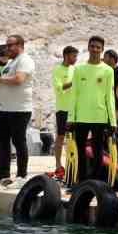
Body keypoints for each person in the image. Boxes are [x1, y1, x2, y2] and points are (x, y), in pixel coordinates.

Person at [70, 36, 117, 184]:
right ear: (88, 47)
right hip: (81, 117)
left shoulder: (108, 71)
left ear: (102, 50)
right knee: (80, 151)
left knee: (98, 152)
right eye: (92, 46)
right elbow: (74, 94)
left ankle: (96, 182)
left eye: (98, 47)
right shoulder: (78, 69)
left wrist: (113, 121)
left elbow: (110, 96)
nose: (95, 49)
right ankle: (81, 182)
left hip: (99, 116)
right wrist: (71, 118)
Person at [0, 33, 35, 183]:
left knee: (18, 141)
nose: (7, 48)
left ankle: (22, 175)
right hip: (5, 108)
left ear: (20, 45)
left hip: (19, 109)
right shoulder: (11, 62)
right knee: (2, 140)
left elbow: (19, 79)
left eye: (10, 45)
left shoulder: (25, 60)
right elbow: (8, 81)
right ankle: (3, 172)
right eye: (7, 45)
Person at [52, 46, 79, 175]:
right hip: (62, 109)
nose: (75, 59)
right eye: (74, 56)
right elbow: (59, 87)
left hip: (75, 109)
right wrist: (74, 82)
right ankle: (58, 164)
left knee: (73, 138)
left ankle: (72, 164)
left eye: (76, 56)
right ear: (66, 55)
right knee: (61, 137)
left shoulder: (76, 70)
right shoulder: (57, 70)